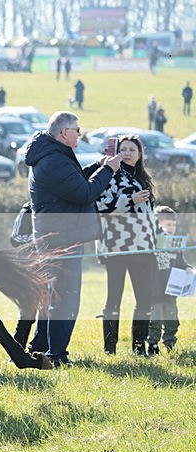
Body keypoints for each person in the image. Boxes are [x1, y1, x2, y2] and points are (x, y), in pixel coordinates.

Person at [26, 111, 121, 367]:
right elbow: (85, 192)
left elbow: (72, 181)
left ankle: (40, 347)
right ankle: (56, 354)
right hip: (62, 238)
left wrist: (98, 166)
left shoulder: (51, 155)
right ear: (64, 132)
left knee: (53, 295)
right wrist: (108, 170)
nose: (80, 133)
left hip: (55, 235)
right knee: (64, 298)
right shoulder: (55, 160)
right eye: (77, 129)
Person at [95, 135, 158, 355]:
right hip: (117, 246)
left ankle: (139, 347)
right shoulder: (110, 175)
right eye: (123, 149)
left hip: (143, 247)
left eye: (132, 149)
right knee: (114, 298)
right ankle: (110, 348)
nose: (128, 153)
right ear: (117, 153)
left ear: (140, 154)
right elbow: (101, 207)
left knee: (145, 298)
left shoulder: (144, 178)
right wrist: (130, 201)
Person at [148, 206, 192, 354]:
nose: (171, 228)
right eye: (167, 224)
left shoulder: (176, 246)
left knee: (172, 320)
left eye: (173, 224)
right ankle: (153, 344)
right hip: (155, 289)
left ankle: (170, 343)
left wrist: (187, 268)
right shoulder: (152, 243)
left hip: (171, 290)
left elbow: (181, 262)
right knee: (155, 319)